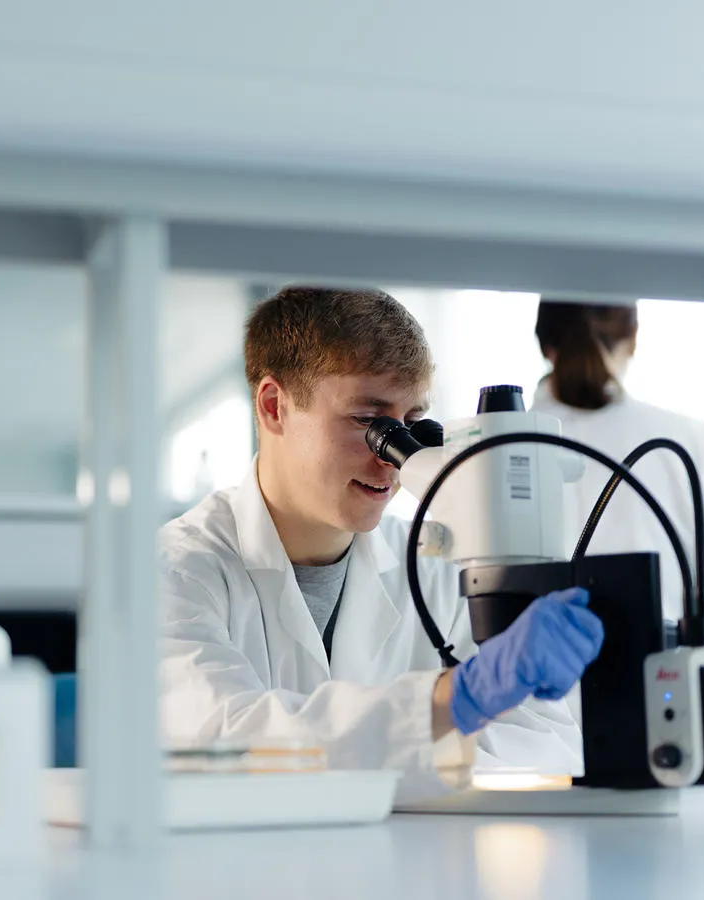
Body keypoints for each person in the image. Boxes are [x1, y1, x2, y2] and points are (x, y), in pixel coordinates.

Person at [159, 287, 605, 801]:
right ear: (274, 406)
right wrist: (451, 705)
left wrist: (419, 739)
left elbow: (546, 744)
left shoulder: (436, 566)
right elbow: (222, 740)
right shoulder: (175, 570)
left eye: (411, 425)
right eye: (370, 422)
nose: (393, 458)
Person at [530, 299, 704, 736]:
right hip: (670, 739)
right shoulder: (694, 445)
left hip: (529, 750)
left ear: (544, 343)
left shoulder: (492, 451)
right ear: (633, 338)